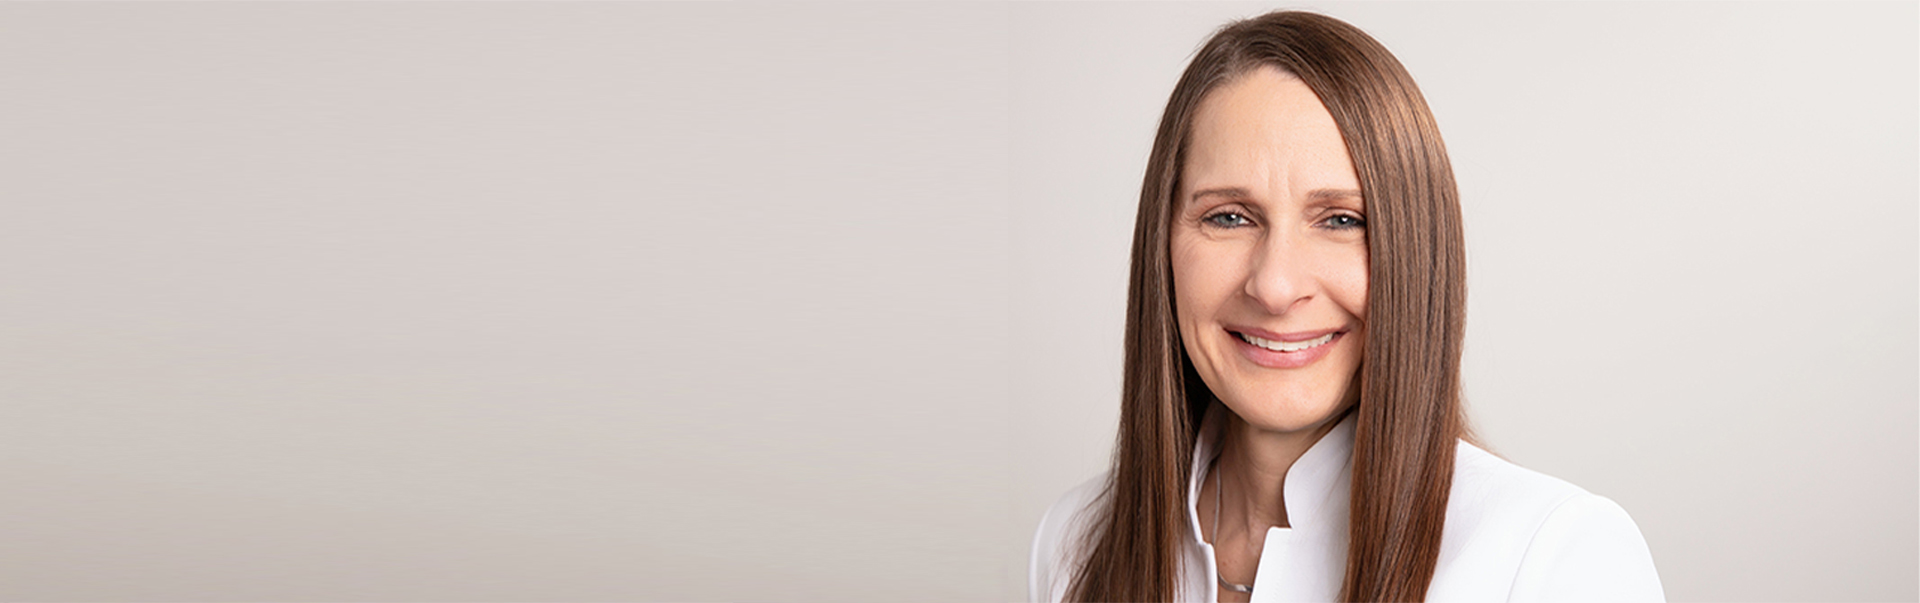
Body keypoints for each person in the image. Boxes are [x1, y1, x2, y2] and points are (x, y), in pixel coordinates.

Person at [1028, 11, 1663, 603]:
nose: (1275, 286)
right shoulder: (1075, 546)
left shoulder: (1552, 557)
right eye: (1228, 216)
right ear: (1162, 243)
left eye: (1340, 220)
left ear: (1415, 254)